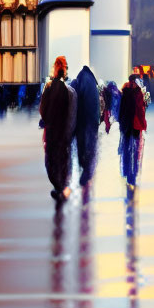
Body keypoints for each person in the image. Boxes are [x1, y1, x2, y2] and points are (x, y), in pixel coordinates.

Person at [39, 56, 78, 201]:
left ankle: (59, 187)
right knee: (62, 160)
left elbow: (42, 109)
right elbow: (72, 114)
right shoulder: (70, 91)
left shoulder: (49, 86)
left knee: (52, 160)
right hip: (63, 133)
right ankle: (61, 187)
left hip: (52, 132)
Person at [117, 71, 148, 193]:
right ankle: (131, 173)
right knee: (133, 150)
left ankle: (128, 172)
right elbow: (140, 111)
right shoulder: (136, 94)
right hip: (133, 125)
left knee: (128, 149)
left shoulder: (126, 93)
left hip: (129, 125)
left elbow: (122, 110)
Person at [73, 64, 101, 188]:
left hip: (85, 121)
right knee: (89, 146)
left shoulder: (82, 79)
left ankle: (86, 173)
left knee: (84, 146)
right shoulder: (89, 81)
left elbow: (77, 99)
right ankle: (87, 172)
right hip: (92, 120)